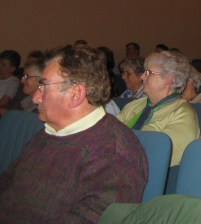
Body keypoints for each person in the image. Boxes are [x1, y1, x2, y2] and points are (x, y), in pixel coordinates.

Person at [0, 45, 148, 223]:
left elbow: (89, 218)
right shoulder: (51, 132)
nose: (35, 98)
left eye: (44, 86)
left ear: (76, 94)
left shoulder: (114, 152)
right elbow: (9, 180)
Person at [117, 51, 199, 166]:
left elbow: (164, 156)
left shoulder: (183, 114)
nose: (142, 76)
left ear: (167, 80)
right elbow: (108, 133)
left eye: (148, 73)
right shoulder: (134, 105)